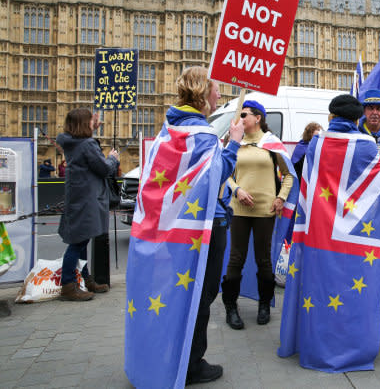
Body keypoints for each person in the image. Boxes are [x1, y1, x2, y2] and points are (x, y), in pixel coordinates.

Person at [124, 67, 243, 387]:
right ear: (203, 94)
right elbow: (217, 177)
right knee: (201, 294)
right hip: (202, 230)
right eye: (216, 91)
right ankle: (192, 363)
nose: (220, 95)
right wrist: (233, 144)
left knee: (176, 293)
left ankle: (168, 353)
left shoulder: (169, 130)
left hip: (169, 231)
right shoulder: (202, 135)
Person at [278, 94, 380, 372]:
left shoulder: (317, 143)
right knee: (350, 289)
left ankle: (316, 343)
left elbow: (309, 183)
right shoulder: (367, 145)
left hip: (319, 232)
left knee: (320, 287)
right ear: (356, 119)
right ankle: (351, 345)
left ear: (332, 117)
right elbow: (379, 186)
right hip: (355, 235)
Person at [223, 100, 294, 330]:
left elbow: (289, 175)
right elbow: (226, 173)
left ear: (258, 118)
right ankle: (231, 308)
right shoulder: (234, 142)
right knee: (236, 259)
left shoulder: (271, 144)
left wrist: (280, 197)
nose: (240, 118)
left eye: (244, 114)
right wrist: (237, 190)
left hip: (266, 210)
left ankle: (264, 305)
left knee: (263, 260)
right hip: (239, 208)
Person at [56, 109, 119, 301]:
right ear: (84, 124)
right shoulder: (87, 144)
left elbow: (85, 150)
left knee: (81, 239)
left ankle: (85, 279)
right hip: (87, 199)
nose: (94, 124)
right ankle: (68, 285)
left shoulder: (71, 142)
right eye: (91, 122)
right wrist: (113, 159)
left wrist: (93, 129)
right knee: (77, 243)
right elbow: (104, 169)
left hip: (77, 197)